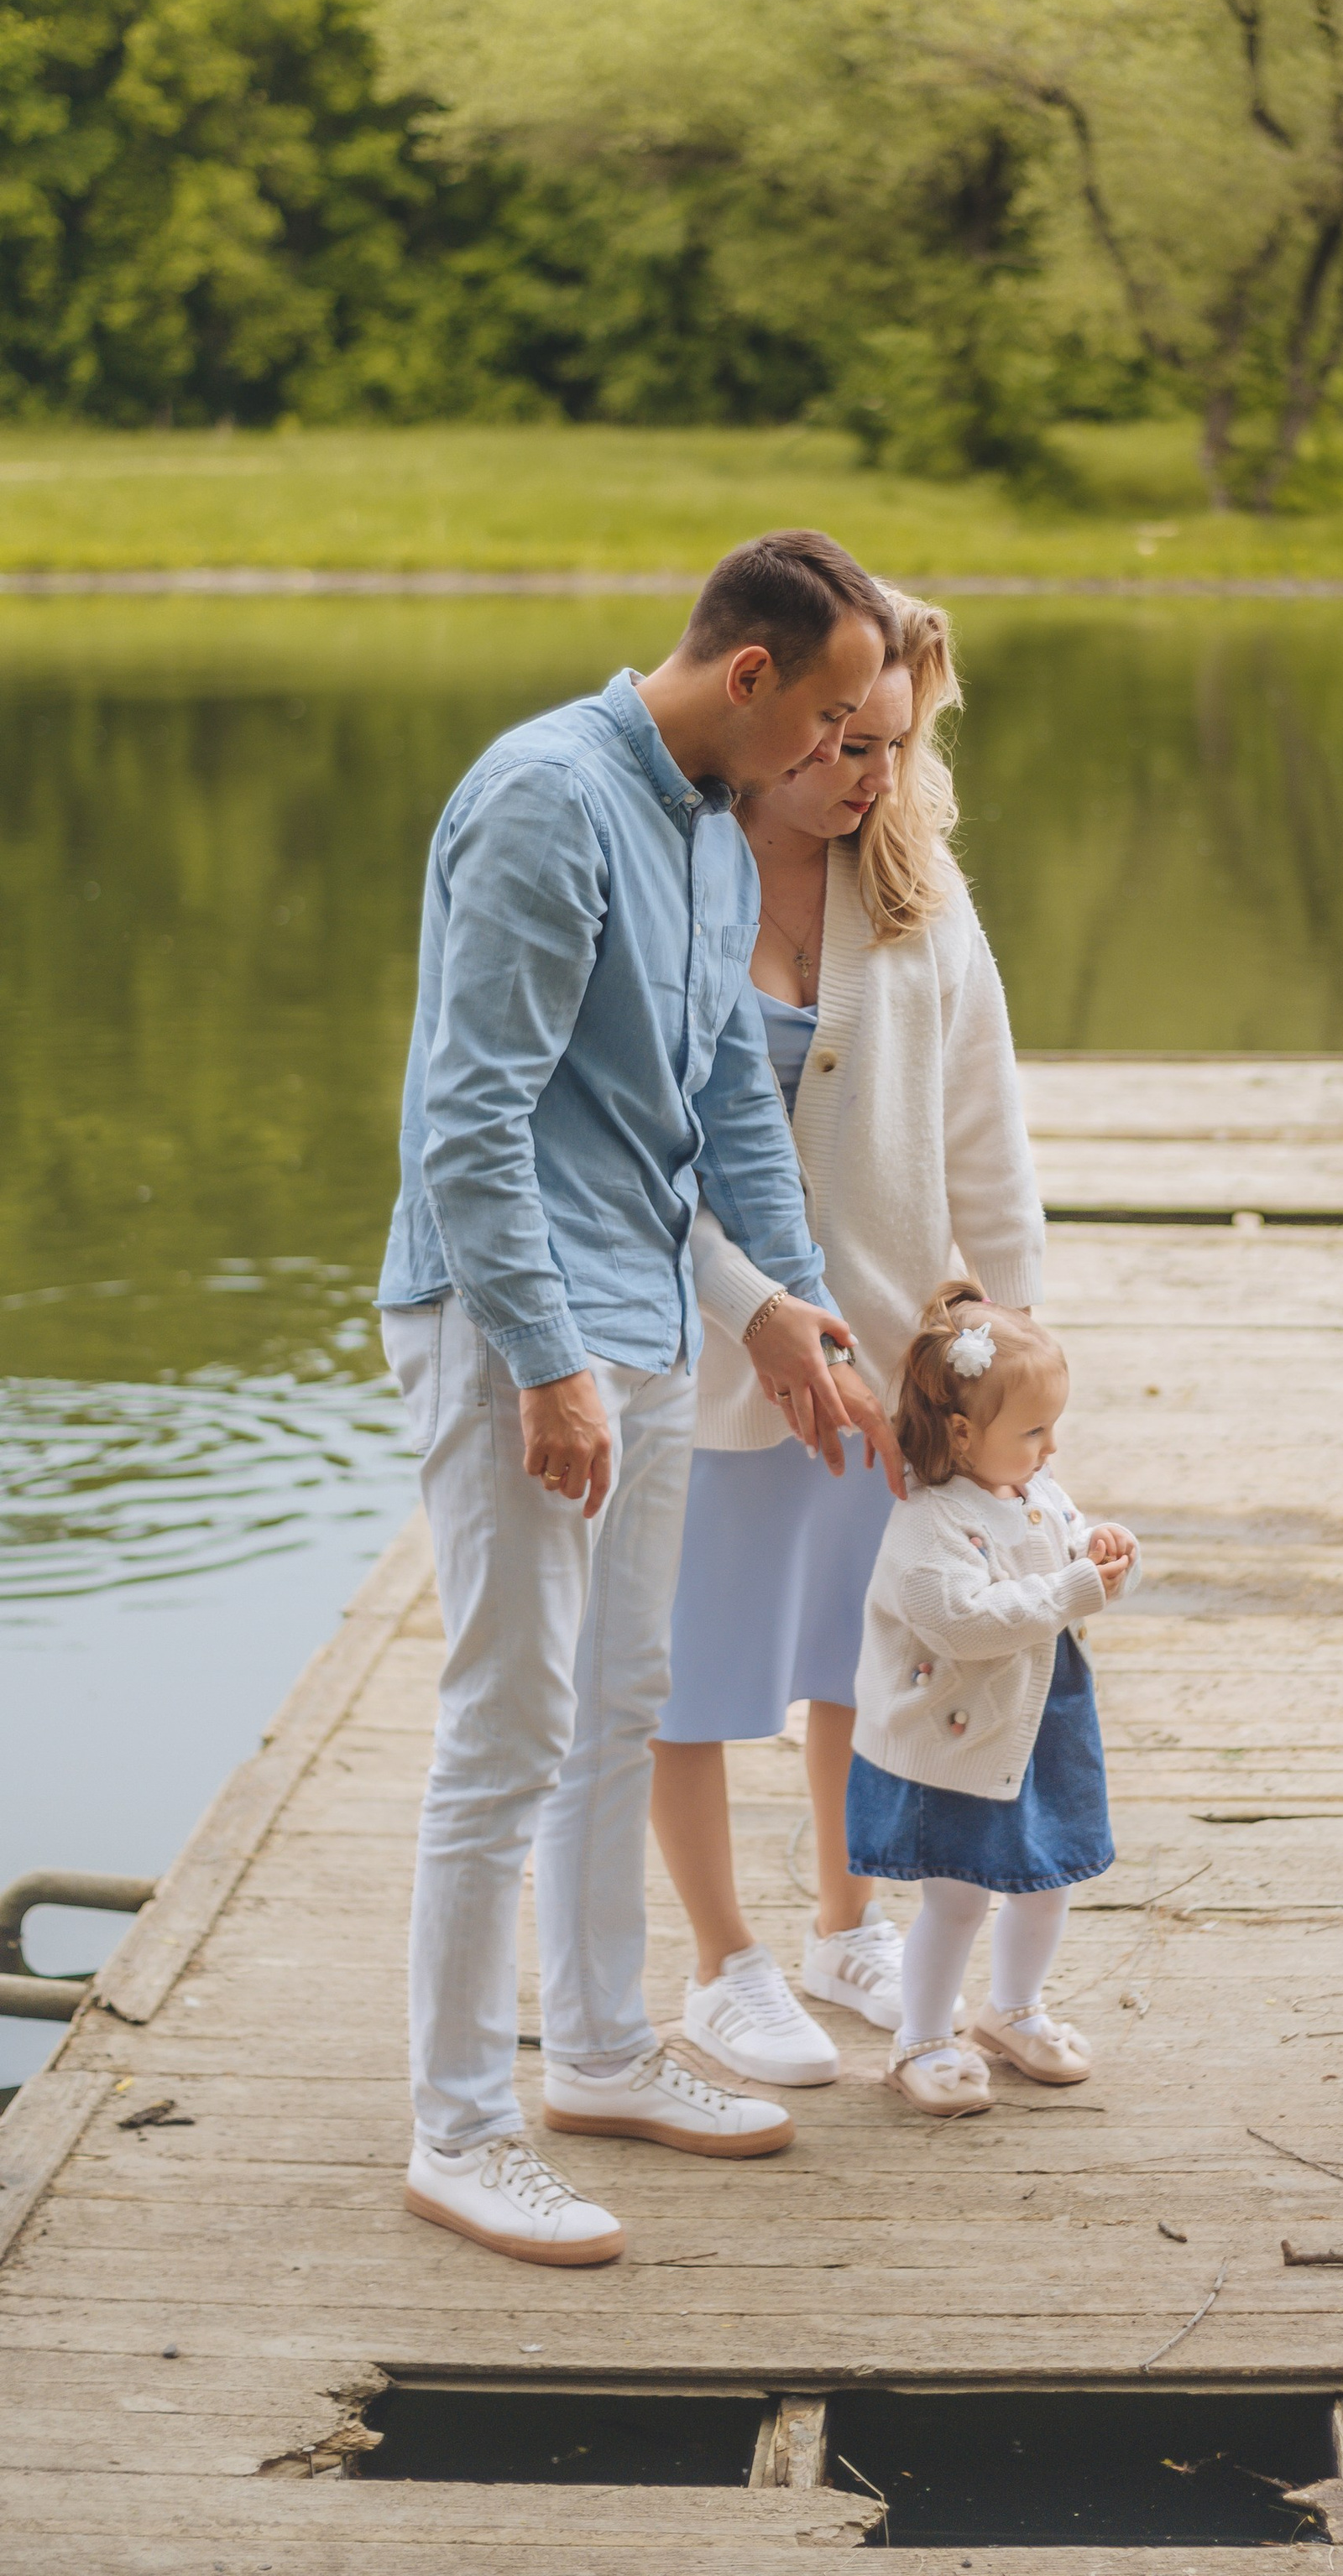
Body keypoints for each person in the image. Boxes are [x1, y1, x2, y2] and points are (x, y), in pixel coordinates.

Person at [377, 529, 901, 2271]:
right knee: (508, 1720)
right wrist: (546, 1360)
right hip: (512, 1320)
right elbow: (474, 1119)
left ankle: (601, 2052)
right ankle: (460, 2129)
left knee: (623, 1696)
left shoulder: (699, 822)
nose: (840, 759)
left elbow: (713, 1107)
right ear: (750, 679)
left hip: (648, 1316)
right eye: (831, 722)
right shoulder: (545, 798)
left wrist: (789, 1301)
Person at [651, 592, 1048, 2086]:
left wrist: (1006, 1342)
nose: (866, 772)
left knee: (854, 1664)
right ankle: (721, 1963)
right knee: (685, 1672)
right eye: (842, 740)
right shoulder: (679, 870)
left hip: (879, 1363)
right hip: (701, 1357)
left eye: (892, 746)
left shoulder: (918, 902)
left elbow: (986, 1138)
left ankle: (843, 1927)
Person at [846, 1282, 1140, 2118]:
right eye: (1035, 1430)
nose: (1052, 1449)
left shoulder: (1030, 1488)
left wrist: (1107, 1551)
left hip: (1042, 1719)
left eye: (1054, 1427)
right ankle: (922, 2039)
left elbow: (1068, 1546)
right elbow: (963, 1624)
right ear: (964, 1433)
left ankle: (1011, 2010)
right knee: (958, 1892)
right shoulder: (928, 1524)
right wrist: (1076, 1587)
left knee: (1047, 1877)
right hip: (962, 1734)